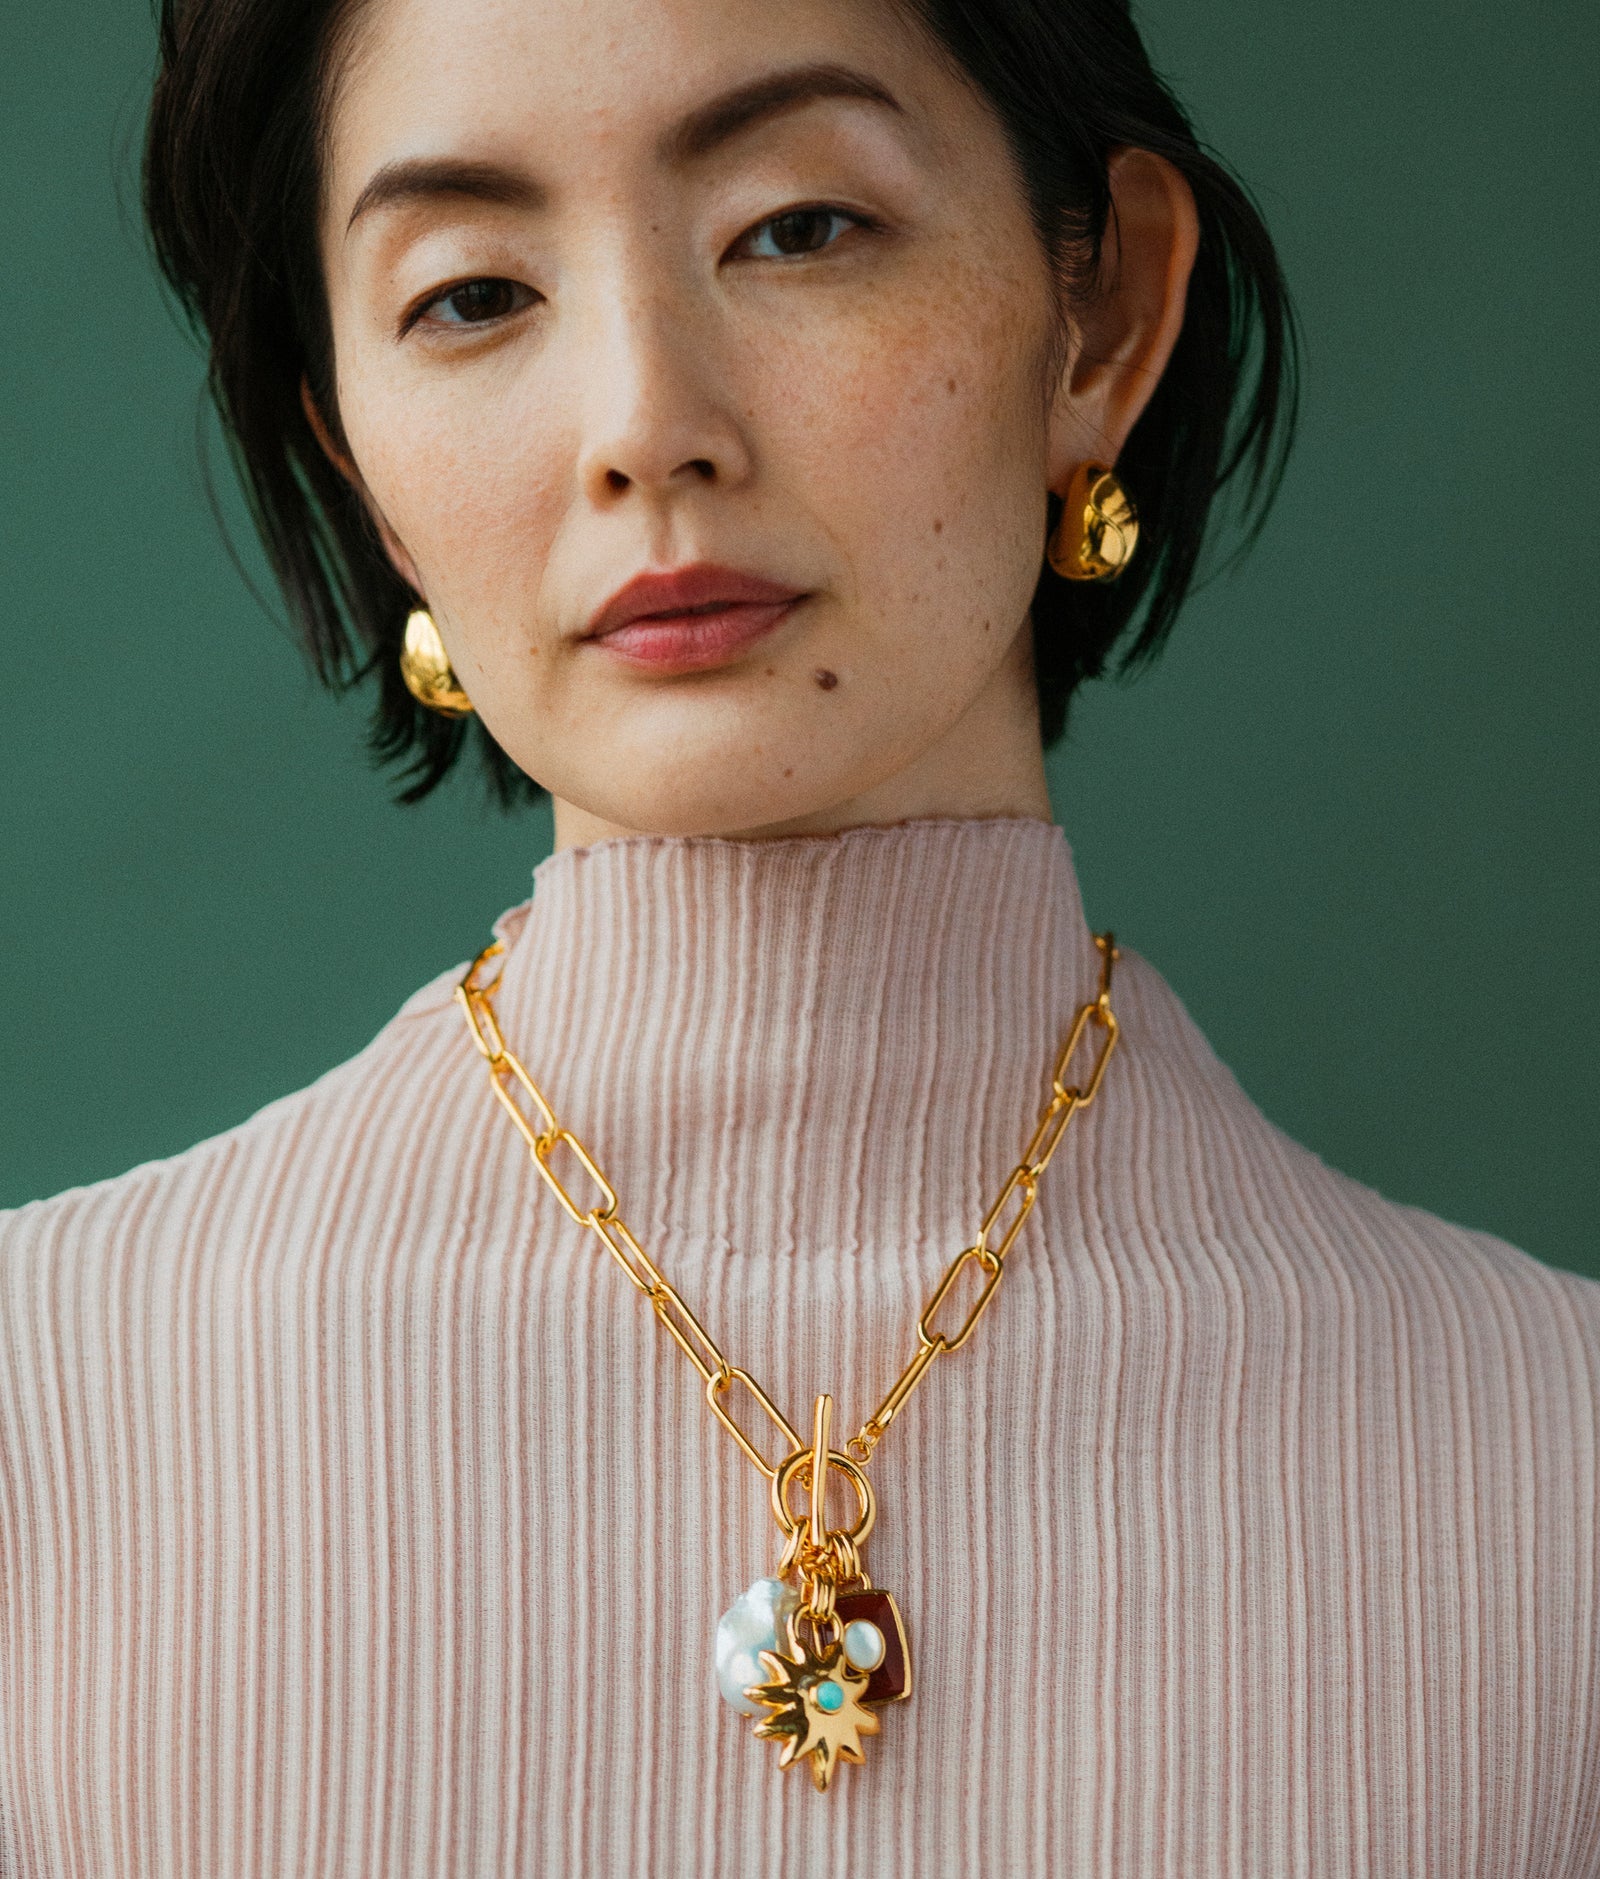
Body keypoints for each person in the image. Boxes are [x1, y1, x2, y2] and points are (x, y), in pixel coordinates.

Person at [1, 0, 1595, 1870]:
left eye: (800, 226)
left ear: (1105, 317)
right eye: (471, 295)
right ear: (357, 460)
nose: (646, 426)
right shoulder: (44, 1420)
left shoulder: (1554, 1472)